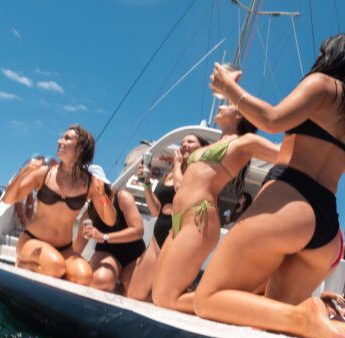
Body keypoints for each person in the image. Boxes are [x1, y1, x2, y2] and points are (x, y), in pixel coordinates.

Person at [194, 33, 345, 338]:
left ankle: (307, 314)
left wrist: (230, 90)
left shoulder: (323, 85)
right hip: (325, 228)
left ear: (331, 57)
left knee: (208, 298)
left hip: (289, 201)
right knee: (274, 326)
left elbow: (271, 120)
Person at [151, 104, 280, 313]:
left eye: (228, 104)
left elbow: (283, 155)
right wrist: (176, 166)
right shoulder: (209, 147)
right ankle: (225, 297)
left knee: (165, 297)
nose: (220, 105)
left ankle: (244, 299)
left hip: (199, 218)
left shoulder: (244, 142)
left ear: (240, 114)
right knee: (158, 294)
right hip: (179, 219)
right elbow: (181, 185)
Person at [3, 126, 115, 285]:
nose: (59, 141)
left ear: (81, 148)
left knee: (85, 277)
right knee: (55, 267)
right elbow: (8, 199)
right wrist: (24, 172)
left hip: (65, 249)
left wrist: (102, 196)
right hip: (31, 241)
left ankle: (45, 269)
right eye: (62, 137)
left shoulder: (89, 184)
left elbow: (110, 221)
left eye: (67, 138)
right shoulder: (44, 174)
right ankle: (23, 263)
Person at [125, 134, 209, 301]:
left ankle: (198, 298)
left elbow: (182, 189)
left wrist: (178, 165)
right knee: (135, 294)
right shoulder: (169, 175)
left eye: (190, 141)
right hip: (159, 233)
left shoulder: (200, 171)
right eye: (183, 141)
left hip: (179, 235)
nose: (184, 144)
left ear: (201, 149)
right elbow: (155, 210)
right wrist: (146, 183)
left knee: (164, 296)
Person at [74, 166, 145, 292]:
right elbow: (77, 248)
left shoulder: (122, 198)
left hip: (133, 255)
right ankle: (114, 281)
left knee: (134, 291)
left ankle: (118, 282)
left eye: (83, 181)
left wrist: (104, 237)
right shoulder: (89, 213)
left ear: (96, 181)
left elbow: (138, 231)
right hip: (107, 253)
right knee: (100, 280)